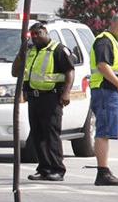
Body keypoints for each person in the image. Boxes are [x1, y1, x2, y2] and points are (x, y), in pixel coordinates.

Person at [11, 22, 74, 182]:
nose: (36, 37)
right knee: (37, 134)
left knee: (51, 134)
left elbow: (70, 72)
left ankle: (57, 169)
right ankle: (44, 168)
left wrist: (66, 93)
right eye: (33, 35)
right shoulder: (31, 50)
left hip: (51, 97)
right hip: (34, 97)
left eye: (38, 33)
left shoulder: (58, 49)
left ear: (45, 31)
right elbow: (15, 72)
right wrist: (21, 52)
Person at [89, 13, 118, 186]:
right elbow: (103, 66)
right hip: (106, 91)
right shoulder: (105, 40)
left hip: (112, 92)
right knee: (104, 132)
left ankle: (104, 171)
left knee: (106, 132)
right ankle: (102, 172)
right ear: (113, 23)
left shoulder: (116, 42)